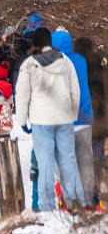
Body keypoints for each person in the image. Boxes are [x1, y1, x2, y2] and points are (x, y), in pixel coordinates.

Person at [15, 27, 85, 212]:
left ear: (35, 44)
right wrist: (73, 113)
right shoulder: (66, 61)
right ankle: (75, 199)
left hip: (41, 119)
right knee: (68, 160)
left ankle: (46, 206)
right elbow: (75, 91)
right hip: (64, 117)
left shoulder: (29, 64)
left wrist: (22, 120)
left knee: (45, 162)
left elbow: (21, 95)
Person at [51, 29, 96, 208]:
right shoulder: (81, 61)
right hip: (85, 119)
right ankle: (87, 202)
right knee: (85, 163)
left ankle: (69, 203)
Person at [74, 37, 107, 208]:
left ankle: (84, 199)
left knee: (82, 161)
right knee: (97, 160)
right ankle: (96, 197)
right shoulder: (102, 68)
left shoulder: (76, 69)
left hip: (82, 120)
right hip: (101, 122)